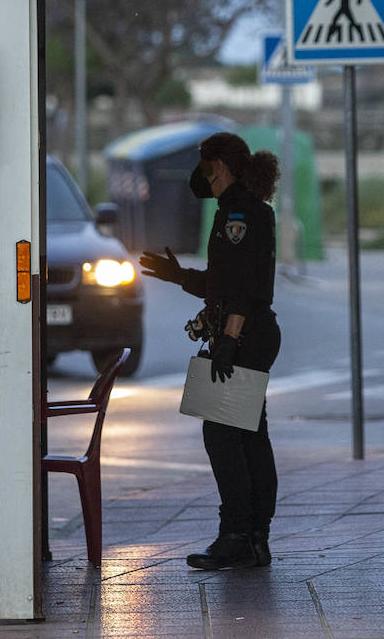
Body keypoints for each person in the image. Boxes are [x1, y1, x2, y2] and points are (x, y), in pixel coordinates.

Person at [139, 131, 282, 571]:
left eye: (204, 166)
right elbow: (224, 283)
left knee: (223, 437)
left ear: (217, 166)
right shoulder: (246, 209)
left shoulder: (236, 213)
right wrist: (178, 275)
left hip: (243, 337)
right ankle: (255, 539)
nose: (199, 176)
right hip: (254, 334)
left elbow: (239, 291)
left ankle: (237, 535)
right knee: (249, 436)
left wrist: (227, 340)